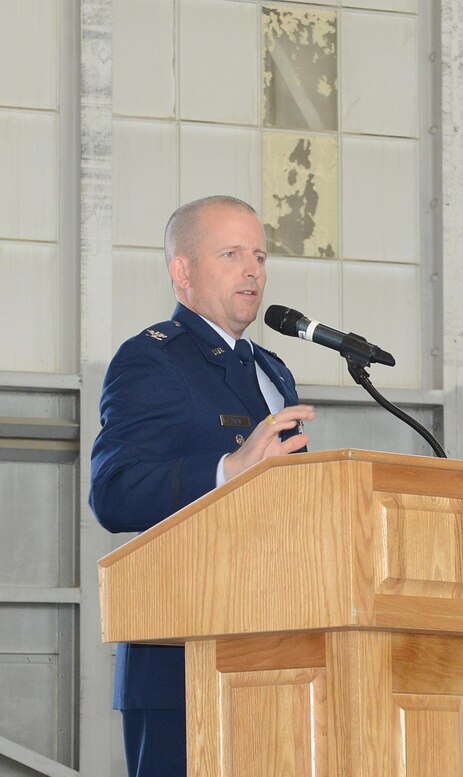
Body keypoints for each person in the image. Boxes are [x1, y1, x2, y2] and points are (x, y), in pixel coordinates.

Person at [89, 195, 315, 776]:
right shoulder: (151, 360)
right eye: (232, 254)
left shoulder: (271, 370)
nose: (253, 271)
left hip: (276, 652)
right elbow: (113, 490)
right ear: (182, 271)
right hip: (181, 666)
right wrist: (225, 473)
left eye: (261, 257)